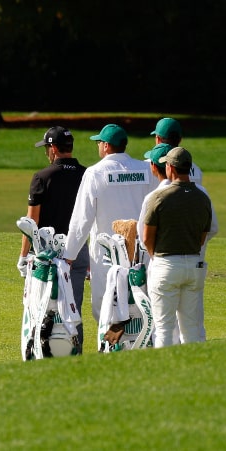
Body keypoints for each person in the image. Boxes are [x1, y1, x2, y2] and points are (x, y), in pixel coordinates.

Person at [64, 124, 157, 314]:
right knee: (142, 305)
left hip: (106, 255)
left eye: (99, 142)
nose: (98, 146)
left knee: (105, 306)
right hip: (141, 252)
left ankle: (108, 342)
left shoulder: (94, 173)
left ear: (106, 146)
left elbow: (82, 219)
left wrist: (68, 255)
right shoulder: (146, 169)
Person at [139, 142, 218, 343]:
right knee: (192, 329)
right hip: (194, 265)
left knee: (164, 329)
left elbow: (147, 237)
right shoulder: (203, 197)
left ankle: (166, 372)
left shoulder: (158, 197)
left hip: (165, 264)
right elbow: (203, 235)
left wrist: (155, 255)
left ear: (171, 168)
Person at [20, 126, 88, 310]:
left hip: (46, 254)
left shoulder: (41, 177)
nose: (46, 153)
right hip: (78, 250)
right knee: (73, 310)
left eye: (46, 149)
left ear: (54, 148)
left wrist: (23, 256)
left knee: (43, 309)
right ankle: (74, 340)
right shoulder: (87, 175)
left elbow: (31, 221)